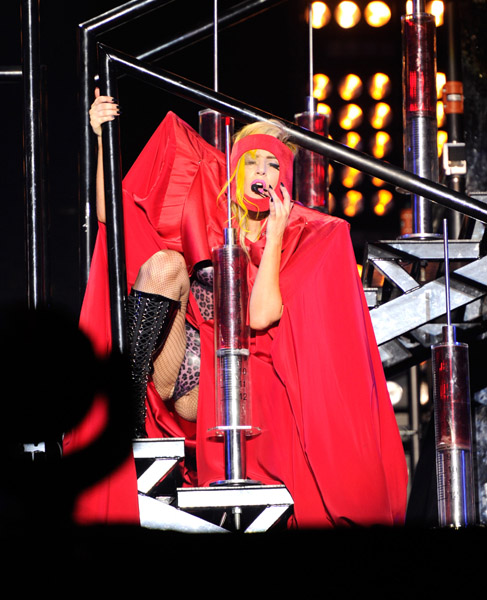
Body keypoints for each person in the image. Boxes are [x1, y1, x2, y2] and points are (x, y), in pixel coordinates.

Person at [63, 90, 408, 528]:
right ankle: (126, 412)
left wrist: (275, 234)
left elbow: (260, 317)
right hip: (178, 362)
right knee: (166, 264)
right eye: (252, 161)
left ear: (284, 177)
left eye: (273, 164)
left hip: (227, 389)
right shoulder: (205, 210)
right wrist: (101, 138)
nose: (261, 171)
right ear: (236, 168)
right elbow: (112, 215)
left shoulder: (298, 235)